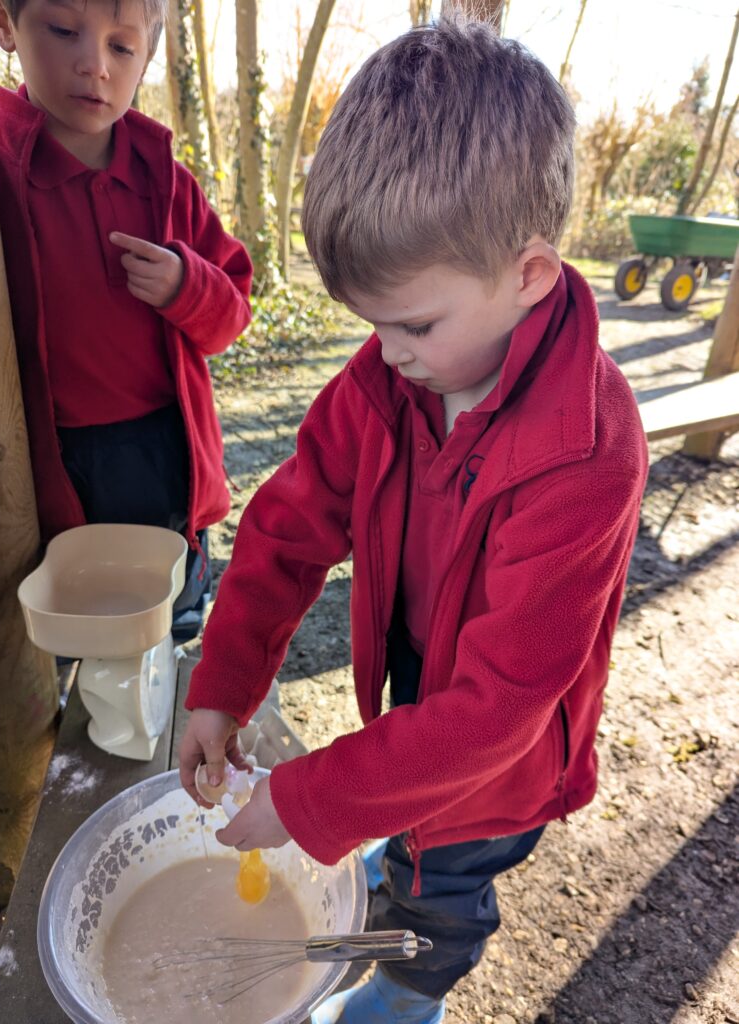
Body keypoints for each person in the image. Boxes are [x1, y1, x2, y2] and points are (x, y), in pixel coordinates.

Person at [179, 16, 648, 1023]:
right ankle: (396, 893)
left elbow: (493, 712)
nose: (387, 352)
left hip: (501, 768)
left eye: (415, 324)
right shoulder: (387, 382)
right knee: (399, 841)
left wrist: (309, 804)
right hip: (415, 710)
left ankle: (398, 1002)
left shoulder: (587, 450)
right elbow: (287, 530)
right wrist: (219, 686)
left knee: (433, 906)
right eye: (372, 324)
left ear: (527, 274)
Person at [0, 0, 252, 641]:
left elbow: (231, 314)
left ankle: (156, 726)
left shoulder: (164, 181)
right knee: (58, 626)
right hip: (41, 460)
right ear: (3, 25)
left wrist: (188, 285)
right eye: (63, 30)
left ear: (148, 56)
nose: (93, 65)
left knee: (164, 623)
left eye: (121, 47)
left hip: (162, 453)